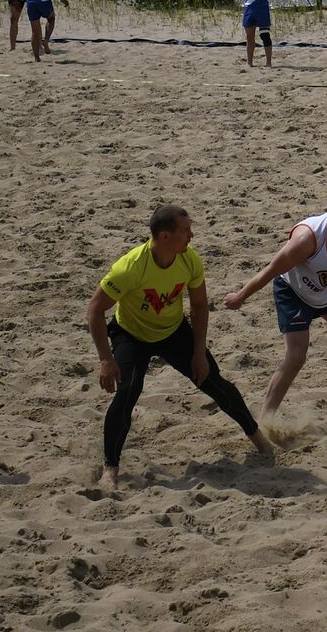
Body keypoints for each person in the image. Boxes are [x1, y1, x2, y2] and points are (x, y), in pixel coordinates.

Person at [88, 205, 273, 490]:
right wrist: (105, 359)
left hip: (174, 331)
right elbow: (95, 309)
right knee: (128, 391)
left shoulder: (189, 260)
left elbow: (199, 306)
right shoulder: (130, 267)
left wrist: (199, 353)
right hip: (131, 334)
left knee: (212, 380)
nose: (192, 235)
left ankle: (259, 439)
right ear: (164, 236)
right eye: (185, 230)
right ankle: (110, 470)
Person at [222, 189, 327, 421]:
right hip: (293, 291)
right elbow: (271, 270)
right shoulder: (308, 238)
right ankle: (266, 419)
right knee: (296, 355)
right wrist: (241, 296)